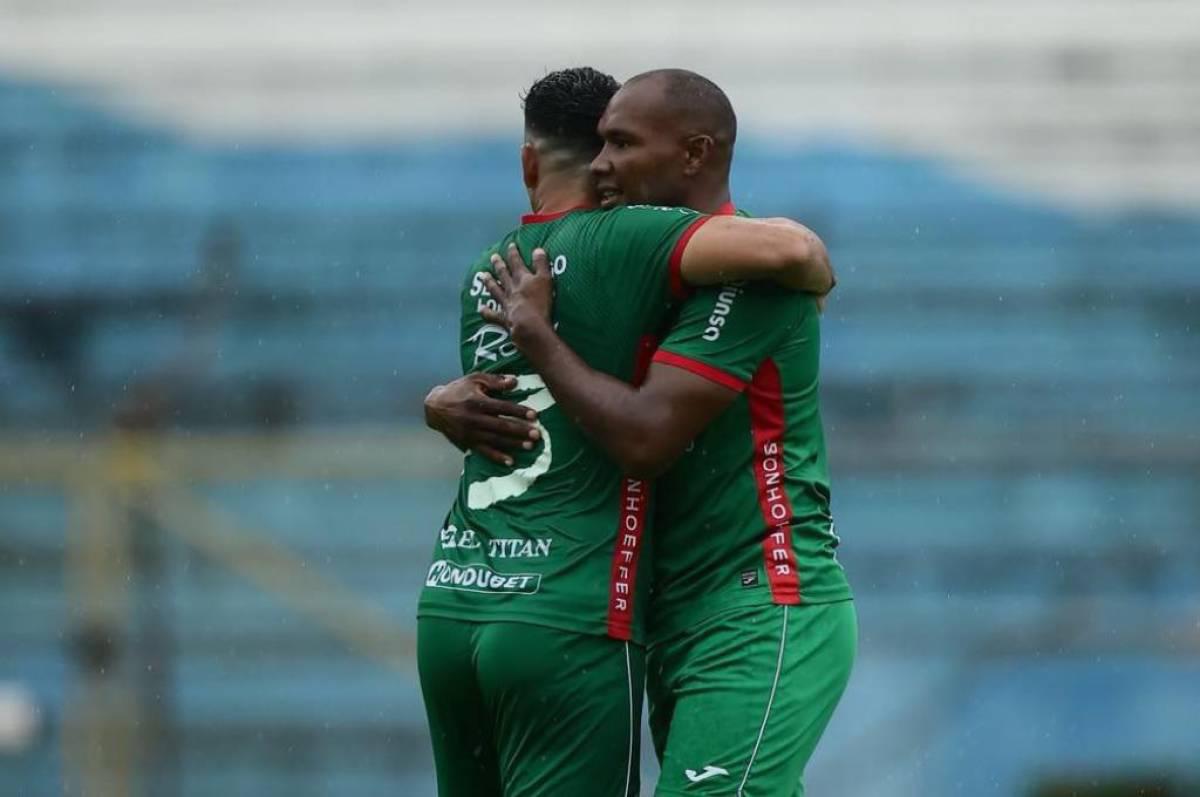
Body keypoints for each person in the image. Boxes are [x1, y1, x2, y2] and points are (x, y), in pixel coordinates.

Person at [417, 66, 834, 797]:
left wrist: (531, 341)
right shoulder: (638, 261)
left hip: (759, 598)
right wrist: (441, 400)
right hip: (663, 612)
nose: (605, 165)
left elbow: (645, 433)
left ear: (694, 153)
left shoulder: (732, 274)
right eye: (601, 144)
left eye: (623, 143)